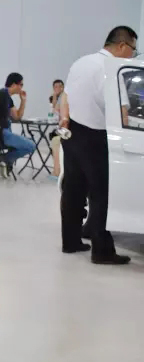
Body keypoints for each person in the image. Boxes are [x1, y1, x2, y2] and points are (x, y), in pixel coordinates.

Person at [58, 25, 136, 264]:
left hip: (72, 132)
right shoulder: (113, 70)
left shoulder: (80, 63)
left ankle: (71, 242)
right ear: (121, 45)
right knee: (101, 193)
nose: (132, 55)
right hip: (96, 136)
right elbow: (122, 114)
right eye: (132, 49)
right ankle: (102, 251)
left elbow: (65, 98)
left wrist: (64, 121)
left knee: (73, 190)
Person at [0, 73, 36, 178]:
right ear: (14, 84)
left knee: (28, 145)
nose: (22, 87)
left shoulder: (8, 99)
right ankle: (5, 159)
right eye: (21, 84)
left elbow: (17, 116)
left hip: (5, 132)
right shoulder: (0, 94)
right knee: (31, 146)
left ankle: (4, 160)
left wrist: (23, 101)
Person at [49, 79, 65, 177]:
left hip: (65, 128)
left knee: (55, 140)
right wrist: (54, 97)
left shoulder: (65, 98)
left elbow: (56, 111)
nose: (58, 88)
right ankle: (57, 169)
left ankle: (57, 171)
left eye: (60, 86)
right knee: (52, 136)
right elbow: (52, 112)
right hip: (58, 127)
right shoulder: (54, 98)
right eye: (55, 87)